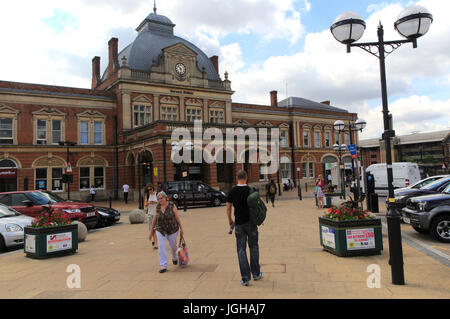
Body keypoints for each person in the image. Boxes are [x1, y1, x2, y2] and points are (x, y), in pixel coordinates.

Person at [226, 170, 262, 286]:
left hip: (239, 224)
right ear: (246, 177)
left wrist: (230, 220)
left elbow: (228, 208)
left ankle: (245, 278)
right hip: (251, 223)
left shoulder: (232, 191)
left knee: (241, 250)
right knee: (254, 247)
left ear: (237, 178)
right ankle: (256, 274)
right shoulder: (251, 190)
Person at [149, 191, 184, 273]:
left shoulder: (172, 205)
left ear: (165, 198)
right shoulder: (157, 207)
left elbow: (177, 217)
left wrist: (182, 229)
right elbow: (154, 220)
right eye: (158, 199)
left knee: (173, 246)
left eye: (161, 198)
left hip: (172, 229)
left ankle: (174, 257)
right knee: (161, 246)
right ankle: (163, 266)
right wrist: (151, 232)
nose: (160, 200)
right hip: (160, 229)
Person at [144, 184, 158, 249]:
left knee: (155, 228)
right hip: (150, 214)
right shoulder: (147, 195)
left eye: (150, 189)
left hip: (156, 214)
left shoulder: (157, 194)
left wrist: (154, 202)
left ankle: (155, 243)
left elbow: (160, 202)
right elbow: (145, 205)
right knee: (151, 229)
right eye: (148, 190)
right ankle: (154, 240)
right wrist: (148, 203)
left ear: (153, 188)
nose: (149, 191)